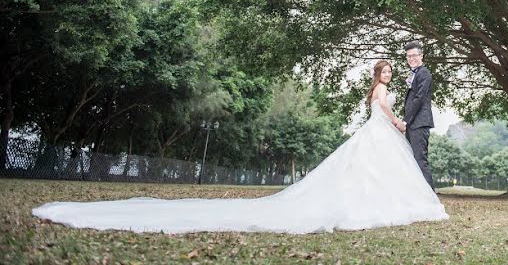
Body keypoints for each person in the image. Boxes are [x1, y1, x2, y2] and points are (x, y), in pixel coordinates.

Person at [32, 60, 448, 234]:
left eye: (393, 70)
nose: (392, 74)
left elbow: (387, 116)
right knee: (371, 170)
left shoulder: (383, 89)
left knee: (376, 173)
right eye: (388, 70)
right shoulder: (379, 92)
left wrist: (397, 121)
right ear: (380, 74)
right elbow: (382, 116)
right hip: (380, 134)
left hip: (383, 134)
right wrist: (397, 121)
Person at [400, 40, 435, 189]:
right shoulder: (415, 73)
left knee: (420, 161)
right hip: (413, 123)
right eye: (408, 56)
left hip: (419, 123)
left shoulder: (424, 73)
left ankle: (431, 200)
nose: (411, 58)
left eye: (414, 55)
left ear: (422, 56)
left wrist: (405, 121)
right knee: (412, 161)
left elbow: (419, 99)